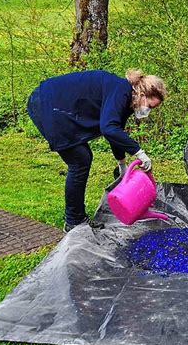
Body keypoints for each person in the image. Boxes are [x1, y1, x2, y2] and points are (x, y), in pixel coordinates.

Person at [27, 69, 167, 232]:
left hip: (53, 104)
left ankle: (74, 217)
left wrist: (122, 164)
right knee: (80, 160)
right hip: (48, 103)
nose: (147, 112)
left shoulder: (126, 97)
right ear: (142, 93)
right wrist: (139, 153)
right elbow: (108, 128)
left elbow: (116, 129)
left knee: (82, 159)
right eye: (149, 106)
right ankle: (74, 220)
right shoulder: (121, 90)